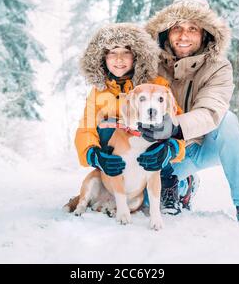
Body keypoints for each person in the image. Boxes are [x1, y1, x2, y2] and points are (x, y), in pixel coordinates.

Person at [141, 0, 239, 227]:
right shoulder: (150, 65)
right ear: (166, 31)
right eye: (177, 28)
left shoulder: (219, 67)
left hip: (200, 147)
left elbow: (210, 110)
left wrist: (174, 126)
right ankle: (180, 184)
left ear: (205, 33)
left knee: (228, 120)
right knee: (143, 201)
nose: (183, 36)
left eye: (192, 29)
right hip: (162, 155)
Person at [75, 23, 186, 195]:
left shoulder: (156, 86)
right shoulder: (98, 93)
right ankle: (114, 187)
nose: (119, 59)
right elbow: (86, 128)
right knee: (106, 125)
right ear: (102, 58)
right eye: (112, 53)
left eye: (126, 53)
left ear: (137, 56)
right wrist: (93, 154)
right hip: (119, 159)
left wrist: (172, 148)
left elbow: (178, 122)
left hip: (152, 160)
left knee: (151, 198)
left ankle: (178, 183)